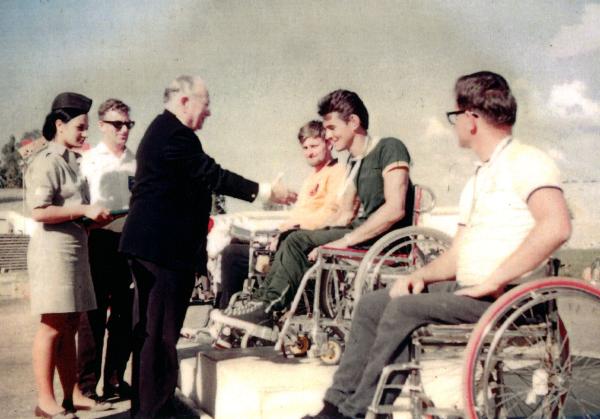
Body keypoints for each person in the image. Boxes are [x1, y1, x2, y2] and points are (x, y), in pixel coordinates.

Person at [303, 71, 572, 419]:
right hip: (472, 290)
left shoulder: (527, 161)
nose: (454, 123)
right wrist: (423, 277)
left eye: (455, 115)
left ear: (472, 118)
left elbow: (556, 225)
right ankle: (334, 406)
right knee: (374, 304)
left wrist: (495, 279)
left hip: (511, 298)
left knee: (402, 310)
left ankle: (359, 412)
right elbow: (457, 253)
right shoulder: (480, 177)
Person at [118, 75, 296, 418]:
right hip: (162, 252)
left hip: (159, 250)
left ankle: (154, 405)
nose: (210, 112)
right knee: (158, 336)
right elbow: (212, 174)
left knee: (155, 334)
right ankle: (152, 413)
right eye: (206, 102)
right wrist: (266, 192)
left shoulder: (165, 132)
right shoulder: (174, 134)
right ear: (185, 100)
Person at [219, 89, 415, 331]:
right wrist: (310, 234)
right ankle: (259, 302)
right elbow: (343, 215)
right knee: (293, 238)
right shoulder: (355, 163)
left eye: (332, 128)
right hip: (361, 233)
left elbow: (395, 209)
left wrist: (345, 241)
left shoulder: (389, 147)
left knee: (297, 241)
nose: (328, 135)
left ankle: (268, 309)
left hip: (383, 240)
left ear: (353, 122)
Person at [26, 92, 113, 418]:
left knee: (73, 323)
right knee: (52, 325)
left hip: (76, 247)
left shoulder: (73, 162)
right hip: (53, 252)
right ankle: (45, 401)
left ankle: (72, 393)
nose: (84, 133)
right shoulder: (47, 161)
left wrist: (94, 218)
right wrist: (83, 209)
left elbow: (72, 212)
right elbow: (39, 211)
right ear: (59, 125)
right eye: (79, 127)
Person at [217, 120, 347, 310]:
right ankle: (226, 310)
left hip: (304, 242)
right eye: (305, 147)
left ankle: (232, 312)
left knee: (233, 255)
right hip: (290, 236)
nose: (309, 152)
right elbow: (299, 215)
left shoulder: (337, 172)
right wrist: (280, 230)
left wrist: (290, 228)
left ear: (329, 143)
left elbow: (331, 214)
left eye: (314, 146)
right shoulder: (311, 178)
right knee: (233, 246)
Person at [77, 99, 136, 401]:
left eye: (128, 124)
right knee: (93, 316)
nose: (124, 130)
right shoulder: (87, 162)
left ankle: (115, 380)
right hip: (97, 241)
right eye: (117, 124)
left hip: (126, 244)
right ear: (102, 126)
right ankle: (86, 386)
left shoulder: (135, 162)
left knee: (124, 316)